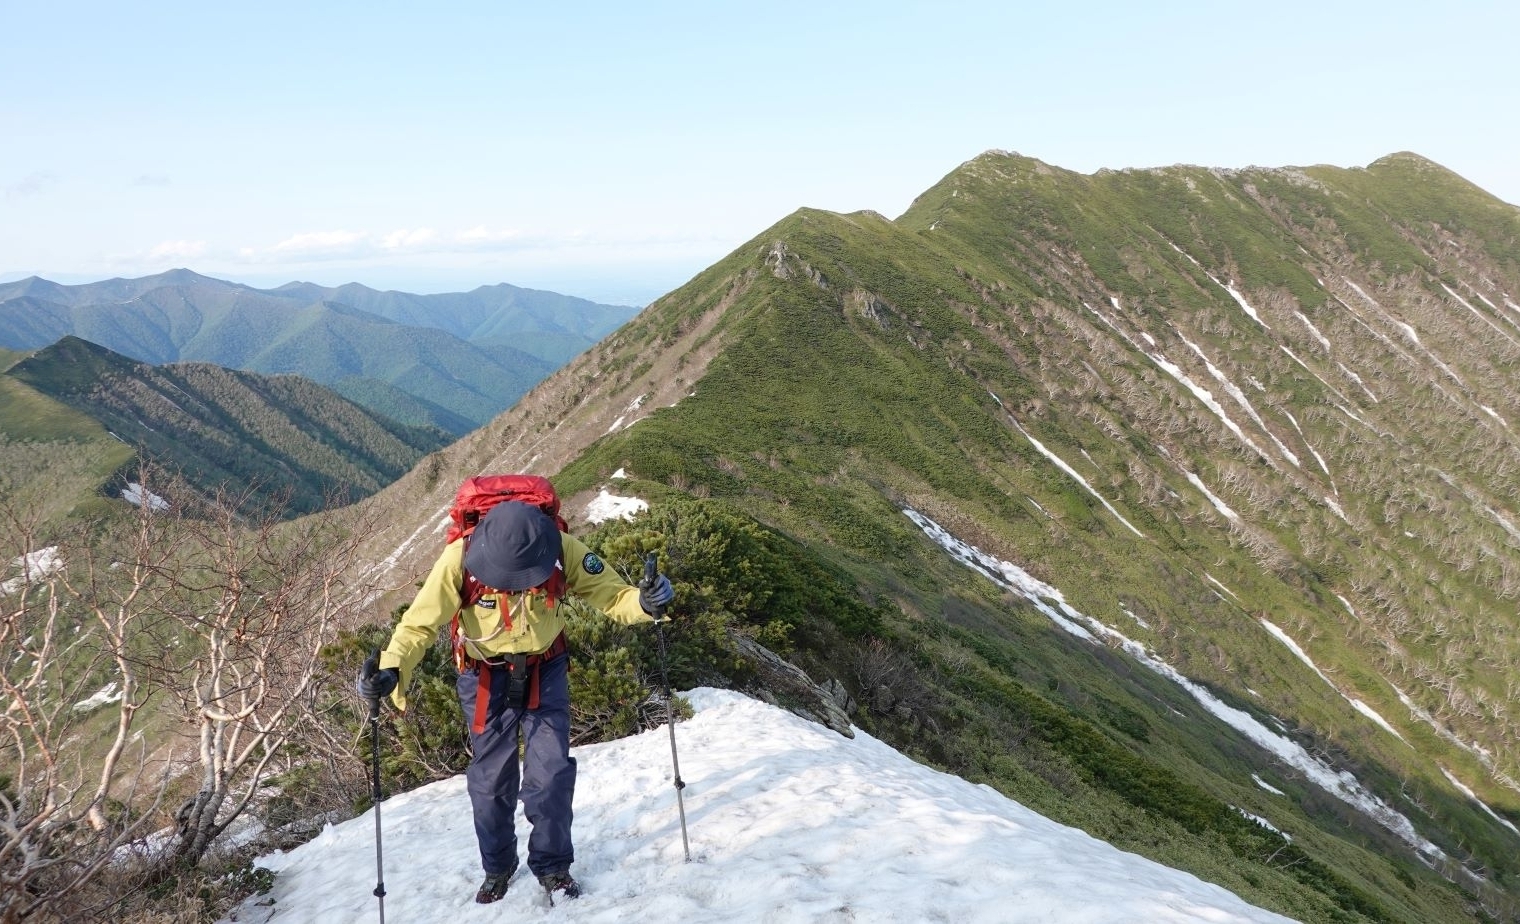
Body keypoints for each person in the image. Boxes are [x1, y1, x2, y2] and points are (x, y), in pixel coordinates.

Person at [356, 500, 673, 903]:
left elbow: (612, 596)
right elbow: (418, 624)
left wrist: (645, 602)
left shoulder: (562, 548)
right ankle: (497, 866)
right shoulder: (459, 558)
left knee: (552, 773)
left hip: (547, 669)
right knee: (490, 781)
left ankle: (553, 866)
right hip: (484, 676)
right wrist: (391, 671)